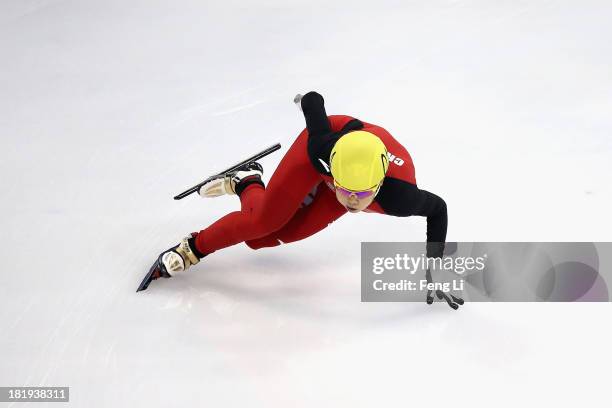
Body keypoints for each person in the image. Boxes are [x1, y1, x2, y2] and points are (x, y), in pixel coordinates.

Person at [147, 91, 452, 305]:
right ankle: (191, 249)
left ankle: (248, 183)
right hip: (330, 147)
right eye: (344, 190)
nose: (350, 201)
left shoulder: (401, 196)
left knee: (263, 239)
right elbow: (314, 100)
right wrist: (303, 100)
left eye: (360, 195)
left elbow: (438, 210)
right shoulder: (322, 149)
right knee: (262, 222)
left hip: (349, 165)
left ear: (378, 185)